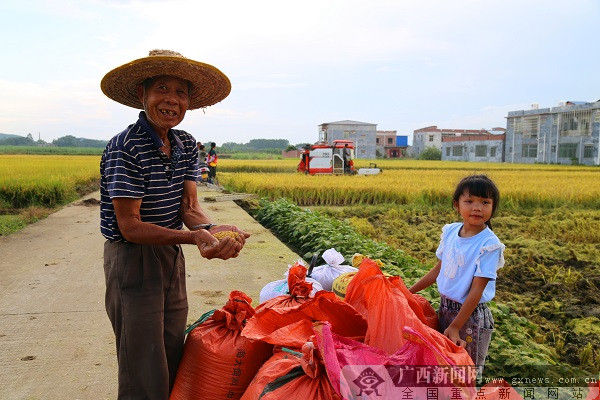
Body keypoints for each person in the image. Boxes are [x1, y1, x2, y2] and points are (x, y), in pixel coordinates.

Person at [99, 49, 249, 399]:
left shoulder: (183, 144)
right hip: (132, 260)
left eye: (181, 93)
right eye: (162, 89)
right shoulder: (127, 147)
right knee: (143, 363)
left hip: (169, 256)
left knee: (172, 349)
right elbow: (130, 227)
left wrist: (214, 231)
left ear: (189, 102)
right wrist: (193, 238)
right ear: (143, 94)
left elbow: (190, 206)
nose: (171, 100)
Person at [409, 174, 505, 378]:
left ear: (493, 207)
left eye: (484, 202)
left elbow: (477, 290)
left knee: (464, 373)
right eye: (469, 201)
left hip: (469, 318)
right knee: (444, 367)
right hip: (445, 309)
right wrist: (408, 292)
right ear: (457, 204)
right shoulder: (451, 232)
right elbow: (438, 270)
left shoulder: (489, 244)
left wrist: (456, 325)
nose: (477, 207)